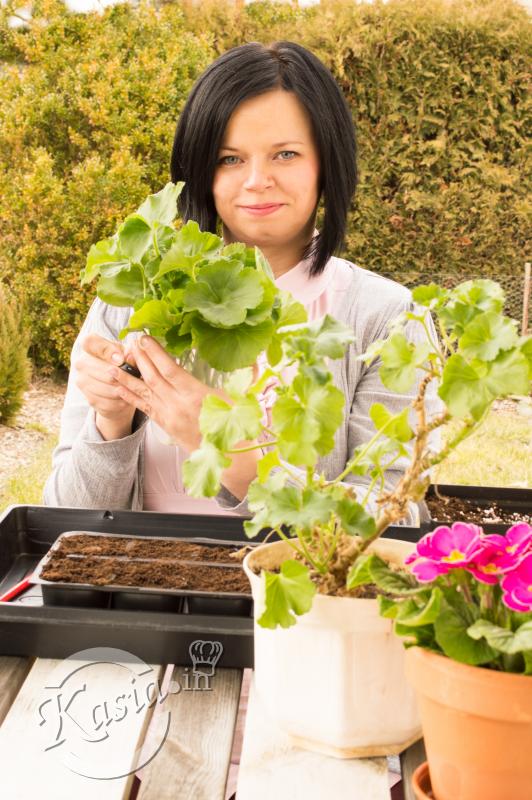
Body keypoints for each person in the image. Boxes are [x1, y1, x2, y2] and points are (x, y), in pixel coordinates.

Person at [43, 41, 438, 522]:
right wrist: (111, 421)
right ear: (200, 170)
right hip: (138, 593)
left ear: (326, 163)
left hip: (297, 595)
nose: (256, 180)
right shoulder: (131, 301)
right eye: (230, 158)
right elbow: (66, 518)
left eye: (286, 154)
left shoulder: (388, 319)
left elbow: (396, 514)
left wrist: (231, 453)